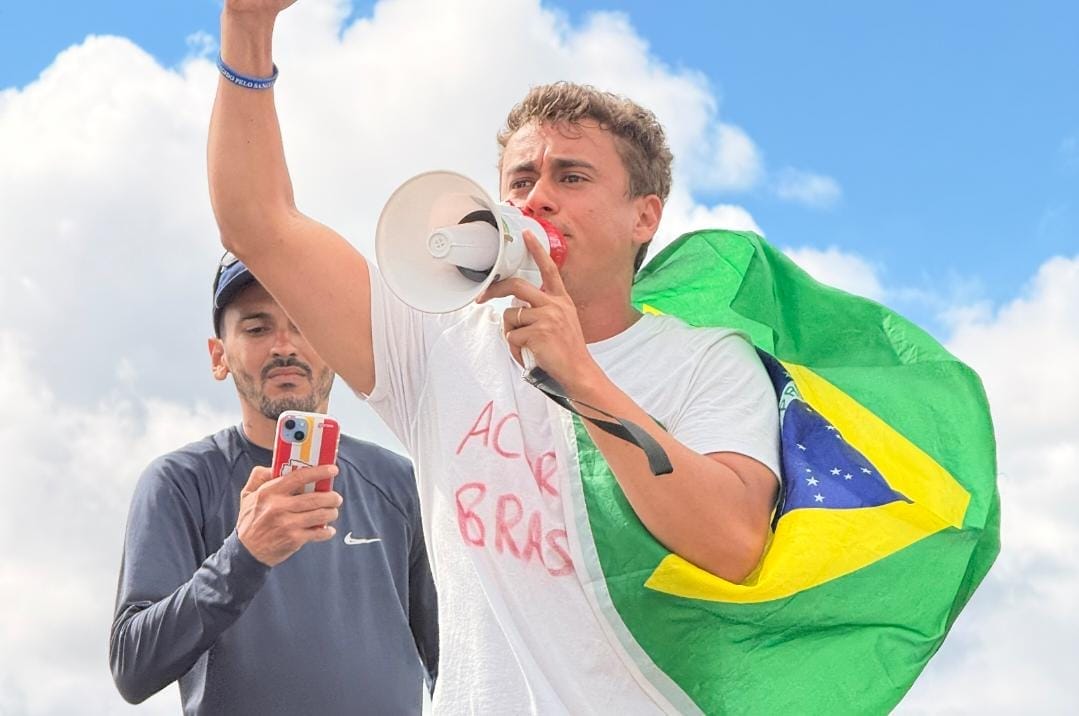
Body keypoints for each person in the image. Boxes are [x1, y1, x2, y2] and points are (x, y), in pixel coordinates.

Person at [207, 2, 781, 711]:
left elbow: (732, 542)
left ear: (644, 215)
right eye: (520, 180)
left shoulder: (707, 362)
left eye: (571, 177)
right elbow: (258, 224)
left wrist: (578, 375)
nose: (537, 199)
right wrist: (247, 27)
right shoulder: (437, 341)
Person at [109, 255, 438, 714]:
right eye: (257, 328)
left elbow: (457, 658)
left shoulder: (402, 483)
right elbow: (132, 667)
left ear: (336, 343)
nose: (284, 346)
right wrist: (244, 555)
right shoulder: (179, 482)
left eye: (303, 322)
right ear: (219, 357)